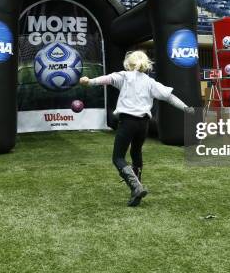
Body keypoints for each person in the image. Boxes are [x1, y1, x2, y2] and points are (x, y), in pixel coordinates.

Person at [80, 50, 193, 206]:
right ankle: (137, 188)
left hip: (128, 122)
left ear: (128, 63)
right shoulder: (150, 82)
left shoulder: (124, 76)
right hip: (143, 124)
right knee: (135, 152)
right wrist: (187, 108)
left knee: (118, 157)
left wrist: (89, 81)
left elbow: (105, 79)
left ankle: (136, 186)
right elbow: (169, 97)